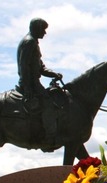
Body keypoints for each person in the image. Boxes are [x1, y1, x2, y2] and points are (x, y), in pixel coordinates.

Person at [17, 18, 62, 146]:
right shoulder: (29, 42)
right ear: (36, 28)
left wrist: (54, 74)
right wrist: (28, 88)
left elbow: (40, 67)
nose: (45, 33)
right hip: (31, 83)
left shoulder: (33, 42)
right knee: (49, 104)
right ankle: (48, 138)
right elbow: (23, 66)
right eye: (43, 29)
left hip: (33, 82)